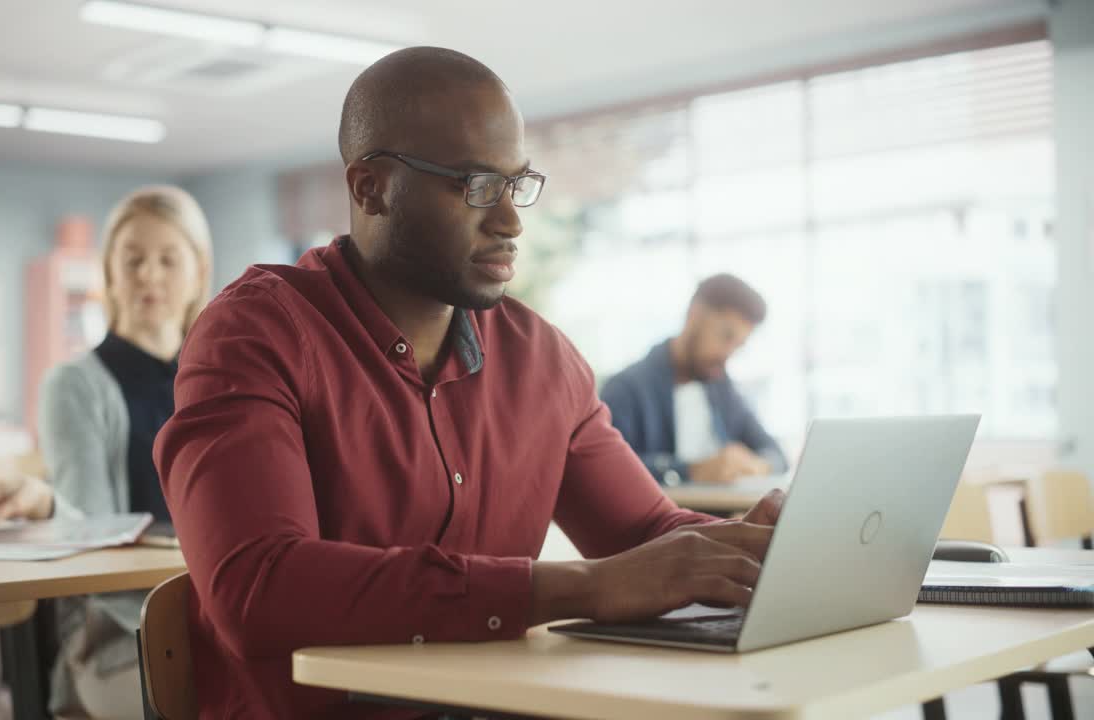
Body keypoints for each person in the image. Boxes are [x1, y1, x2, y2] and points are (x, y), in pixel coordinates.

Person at [152, 47, 785, 719]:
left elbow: (645, 536)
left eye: (518, 184)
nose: (511, 219)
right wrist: (582, 589)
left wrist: (749, 548)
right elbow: (260, 589)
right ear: (369, 187)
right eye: (475, 184)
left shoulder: (543, 358)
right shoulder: (255, 334)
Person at [0, 186, 213, 719]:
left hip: (219, 616)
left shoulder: (220, 378)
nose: (149, 275)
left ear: (198, 272)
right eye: (133, 259)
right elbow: (96, 536)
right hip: (123, 635)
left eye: (168, 259)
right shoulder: (76, 385)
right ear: (108, 272)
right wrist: (48, 505)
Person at [602, 274, 788, 486]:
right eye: (726, 336)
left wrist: (759, 464)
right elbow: (608, 469)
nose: (728, 354)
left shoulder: (721, 388)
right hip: (667, 515)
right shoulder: (626, 389)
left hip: (724, 514)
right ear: (695, 314)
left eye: (738, 345)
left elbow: (776, 454)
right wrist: (690, 471)